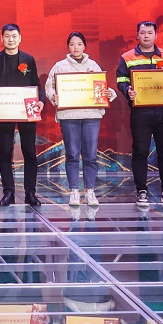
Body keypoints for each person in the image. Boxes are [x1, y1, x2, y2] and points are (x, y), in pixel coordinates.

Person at [115, 21, 163, 211]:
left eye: (150, 32)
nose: (146, 36)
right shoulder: (127, 57)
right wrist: (127, 90)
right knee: (140, 151)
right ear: (137, 35)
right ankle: (141, 190)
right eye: (142, 32)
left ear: (156, 35)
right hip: (141, 112)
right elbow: (121, 79)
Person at [46, 31, 117, 207]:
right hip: (69, 116)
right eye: (72, 44)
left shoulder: (93, 65)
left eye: (79, 44)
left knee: (90, 155)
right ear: (68, 46)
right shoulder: (60, 66)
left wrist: (109, 93)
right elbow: (49, 86)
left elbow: (102, 86)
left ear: (84, 46)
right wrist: (54, 96)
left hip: (91, 116)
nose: (75, 47)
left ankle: (90, 191)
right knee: (71, 154)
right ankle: (74, 191)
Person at [0, 23, 45, 207]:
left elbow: (35, 84)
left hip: (26, 110)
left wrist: (41, 101)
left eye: (14, 36)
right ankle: (8, 192)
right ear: (1, 38)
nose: (10, 39)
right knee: (5, 152)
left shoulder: (28, 59)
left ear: (20, 38)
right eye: (7, 36)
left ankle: (30, 192)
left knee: (29, 152)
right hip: (4, 111)